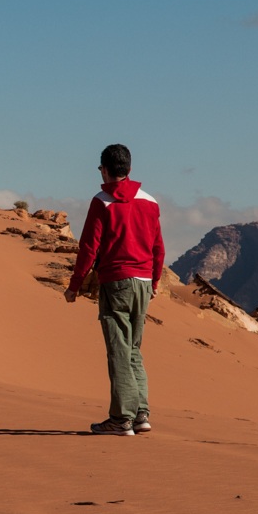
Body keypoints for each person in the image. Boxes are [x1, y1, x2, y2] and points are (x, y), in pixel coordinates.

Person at [65, 144, 165, 436]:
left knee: (119, 350)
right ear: (129, 170)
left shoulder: (102, 201)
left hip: (117, 281)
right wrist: (155, 282)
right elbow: (158, 247)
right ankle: (141, 414)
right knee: (133, 348)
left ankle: (121, 419)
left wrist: (75, 287)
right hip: (144, 282)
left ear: (105, 170)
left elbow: (88, 247)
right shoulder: (150, 201)